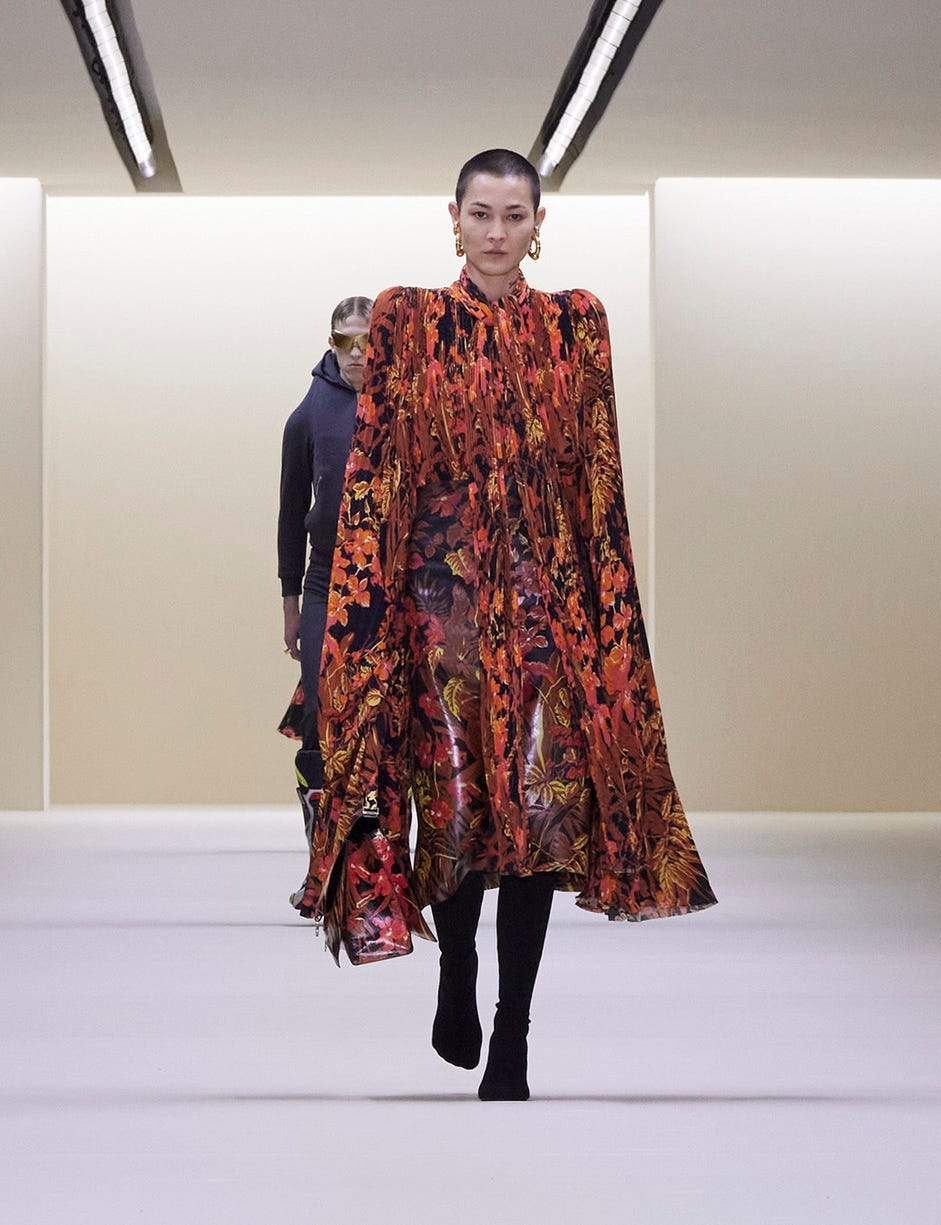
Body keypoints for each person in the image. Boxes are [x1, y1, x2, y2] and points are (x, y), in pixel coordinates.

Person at [295, 150, 717, 1099]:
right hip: (436, 610)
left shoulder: (578, 324)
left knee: (536, 815)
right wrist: (362, 620)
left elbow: (598, 479)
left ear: (538, 222)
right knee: (450, 809)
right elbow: (376, 469)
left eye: (513, 214)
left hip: (544, 610)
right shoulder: (406, 317)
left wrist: (608, 621)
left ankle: (516, 1031)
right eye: (479, 213)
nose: (495, 232)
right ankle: (456, 975)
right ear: (454, 218)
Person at [276, 295, 374, 906]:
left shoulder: (405, 406)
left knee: (382, 725)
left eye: (368, 341)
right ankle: (322, 866)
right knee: (319, 711)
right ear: (331, 342)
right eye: (346, 342)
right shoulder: (308, 416)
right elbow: (291, 516)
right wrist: (289, 603)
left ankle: (376, 870)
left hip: (389, 584)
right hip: (322, 584)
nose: (358, 354)